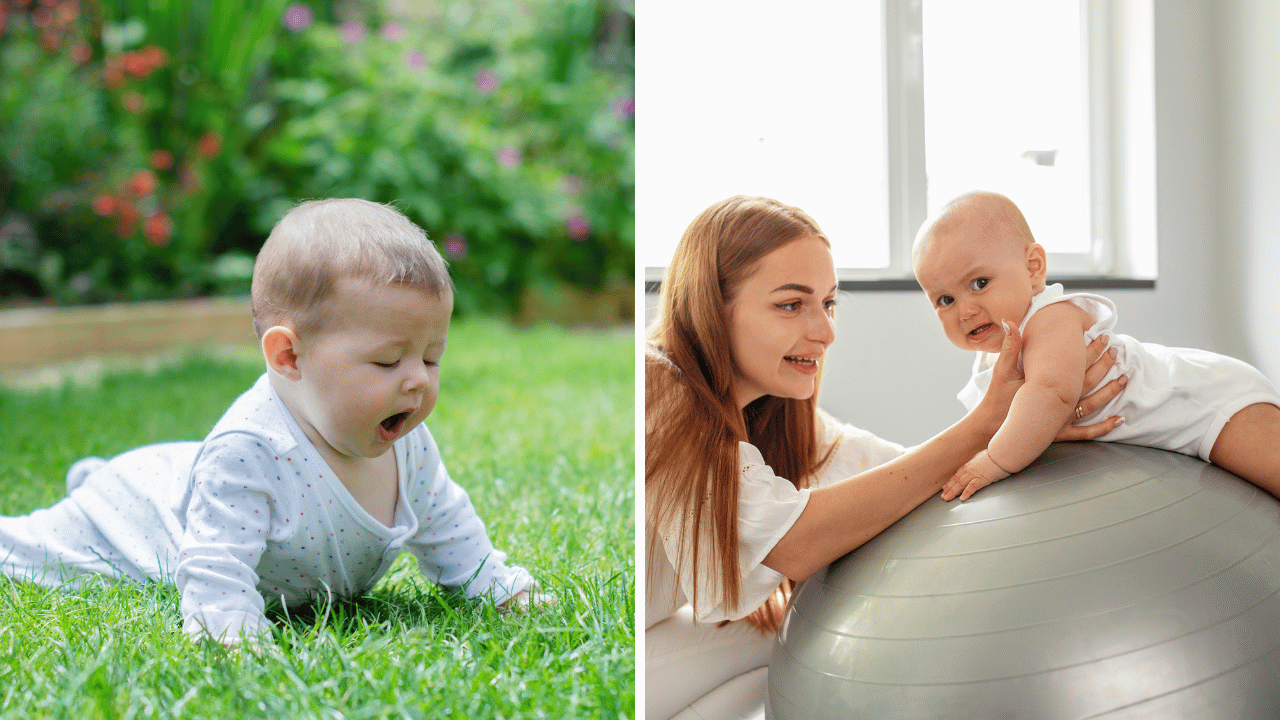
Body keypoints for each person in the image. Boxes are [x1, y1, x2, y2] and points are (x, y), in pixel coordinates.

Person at [645, 195, 1127, 720]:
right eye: (791, 304)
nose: (824, 332)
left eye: (828, 304)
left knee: (792, 644)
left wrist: (1027, 428)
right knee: (793, 636)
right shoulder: (655, 382)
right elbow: (794, 542)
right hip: (622, 645)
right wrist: (985, 423)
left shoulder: (771, 415)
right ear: (710, 307)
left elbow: (898, 474)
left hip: (650, 641)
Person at [0, 198, 539, 644]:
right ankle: (93, 488)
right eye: (386, 361)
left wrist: (501, 589)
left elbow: (450, 529)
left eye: (430, 358)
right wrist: (235, 637)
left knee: (179, 474)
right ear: (289, 357)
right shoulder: (250, 452)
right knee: (30, 549)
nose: (418, 380)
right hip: (144, 519)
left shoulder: (408, 444)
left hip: (186, 470)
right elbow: (216, 572)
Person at [913, 190, 1280, 502]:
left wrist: (994, 461)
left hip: (1205, 402)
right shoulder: (994, 356)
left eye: (979, 283)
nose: (965, 310)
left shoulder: (1049, 320)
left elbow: (1049, 395)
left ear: (1033, 267)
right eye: (945, 300)